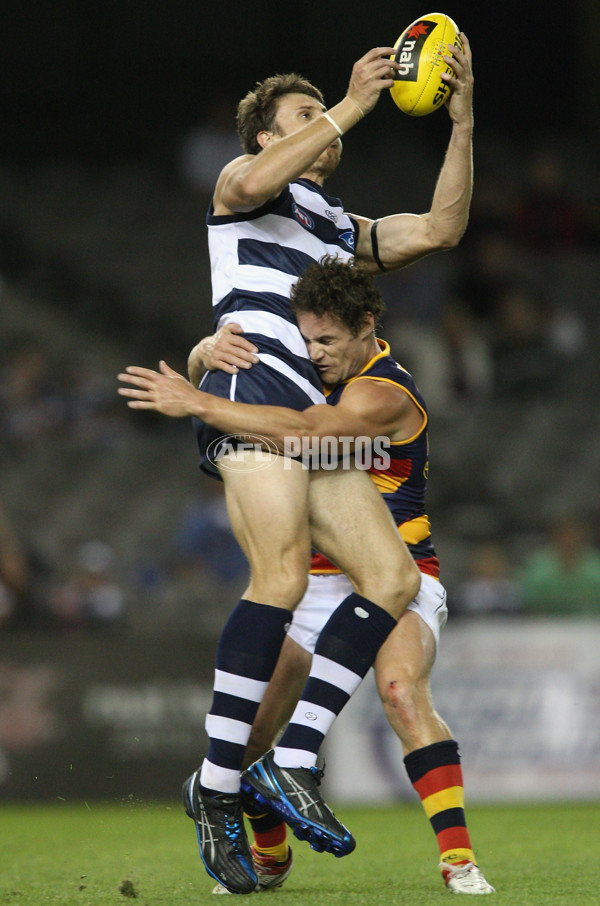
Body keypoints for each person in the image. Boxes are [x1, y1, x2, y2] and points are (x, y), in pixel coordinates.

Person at [119, 37, 474, 895]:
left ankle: (289, 762)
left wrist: (462, 120)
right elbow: (244, 183)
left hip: (307, 421)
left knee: (389, 577)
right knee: (280, 579)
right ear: (265, 140)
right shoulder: (243, 191)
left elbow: (439, 228)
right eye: (302, 118)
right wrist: (352, 101)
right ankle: (215, 788)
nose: (325, 126)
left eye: (324, 116)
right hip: (251, 390)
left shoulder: (329, 227)